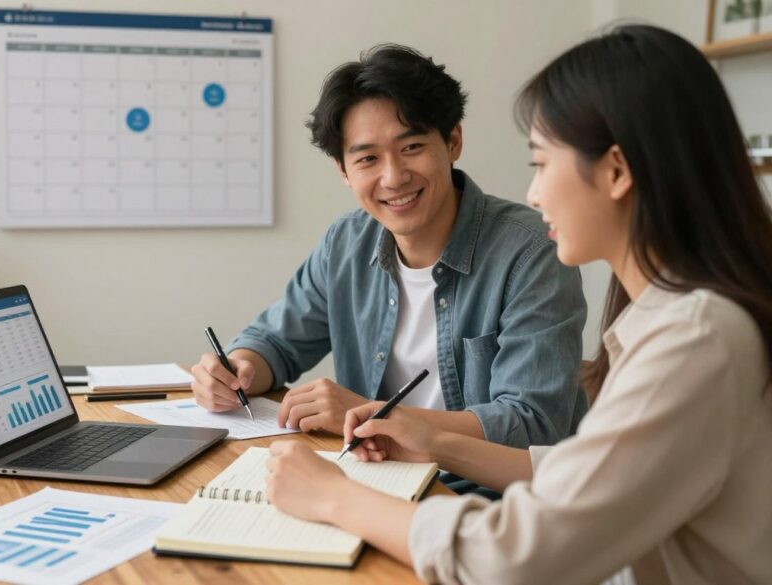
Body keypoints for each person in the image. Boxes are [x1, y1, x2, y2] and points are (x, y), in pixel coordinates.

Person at [263, 25, 772, 584]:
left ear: (618, 171)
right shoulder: (678, 316)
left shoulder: (694, 339)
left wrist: (335, 498)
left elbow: (516, 558)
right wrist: (431, 439)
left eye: (541, 163)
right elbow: (588, 473)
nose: (533, 193)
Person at [191, 45, 587, 452]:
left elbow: (533, 424)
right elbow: (275, 342)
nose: (394, 177)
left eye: (412, 147)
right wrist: (237, 370)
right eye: (367, 159)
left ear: (453, 142)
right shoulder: (345, 243)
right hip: (378, 477)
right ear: (344, 171)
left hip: (484, 497)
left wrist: (370, 413)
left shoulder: (532, 251)